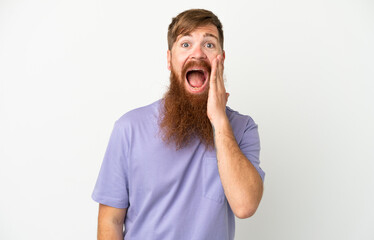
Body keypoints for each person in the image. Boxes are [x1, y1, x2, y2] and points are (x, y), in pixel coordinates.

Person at [92, 8, 265, 240]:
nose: (198, 54)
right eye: (185, 44)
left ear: (221, 60)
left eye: (209, 45)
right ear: (169, 59)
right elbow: (110, 220)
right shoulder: (129, 128)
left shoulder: (242, 128)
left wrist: (219, 120)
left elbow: (245, 206)